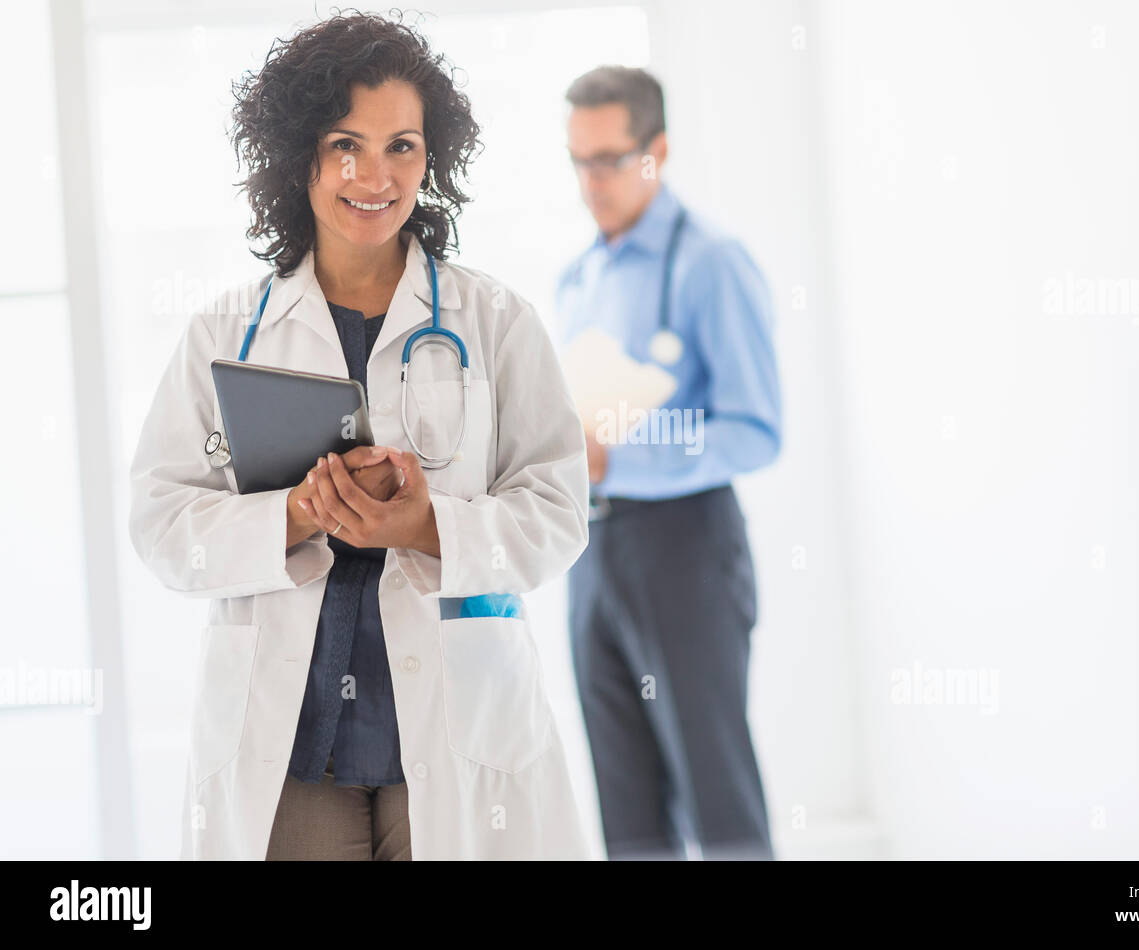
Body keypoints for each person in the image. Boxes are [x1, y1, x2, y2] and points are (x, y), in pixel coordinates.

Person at [127, 13, 591, 860]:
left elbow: (557, 515)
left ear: (431, 155)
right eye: (346, 143)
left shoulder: (497, 322)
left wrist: (426, 528)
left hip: (459, 733)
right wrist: (293, 518)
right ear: (298, 153)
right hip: (295, 741)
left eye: (402, 146)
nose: (375, 175)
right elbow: (161, 525)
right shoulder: (226, 330)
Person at [557, 66, 782, 859]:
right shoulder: (577, 275)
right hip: (590, 550)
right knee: (626, 808)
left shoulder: (711, 263)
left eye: (611, 159)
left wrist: (618, 458)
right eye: (579, 160)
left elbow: (755, 430)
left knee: (716, 798)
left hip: (685, 548)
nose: (593, 182)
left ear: (658, 152)